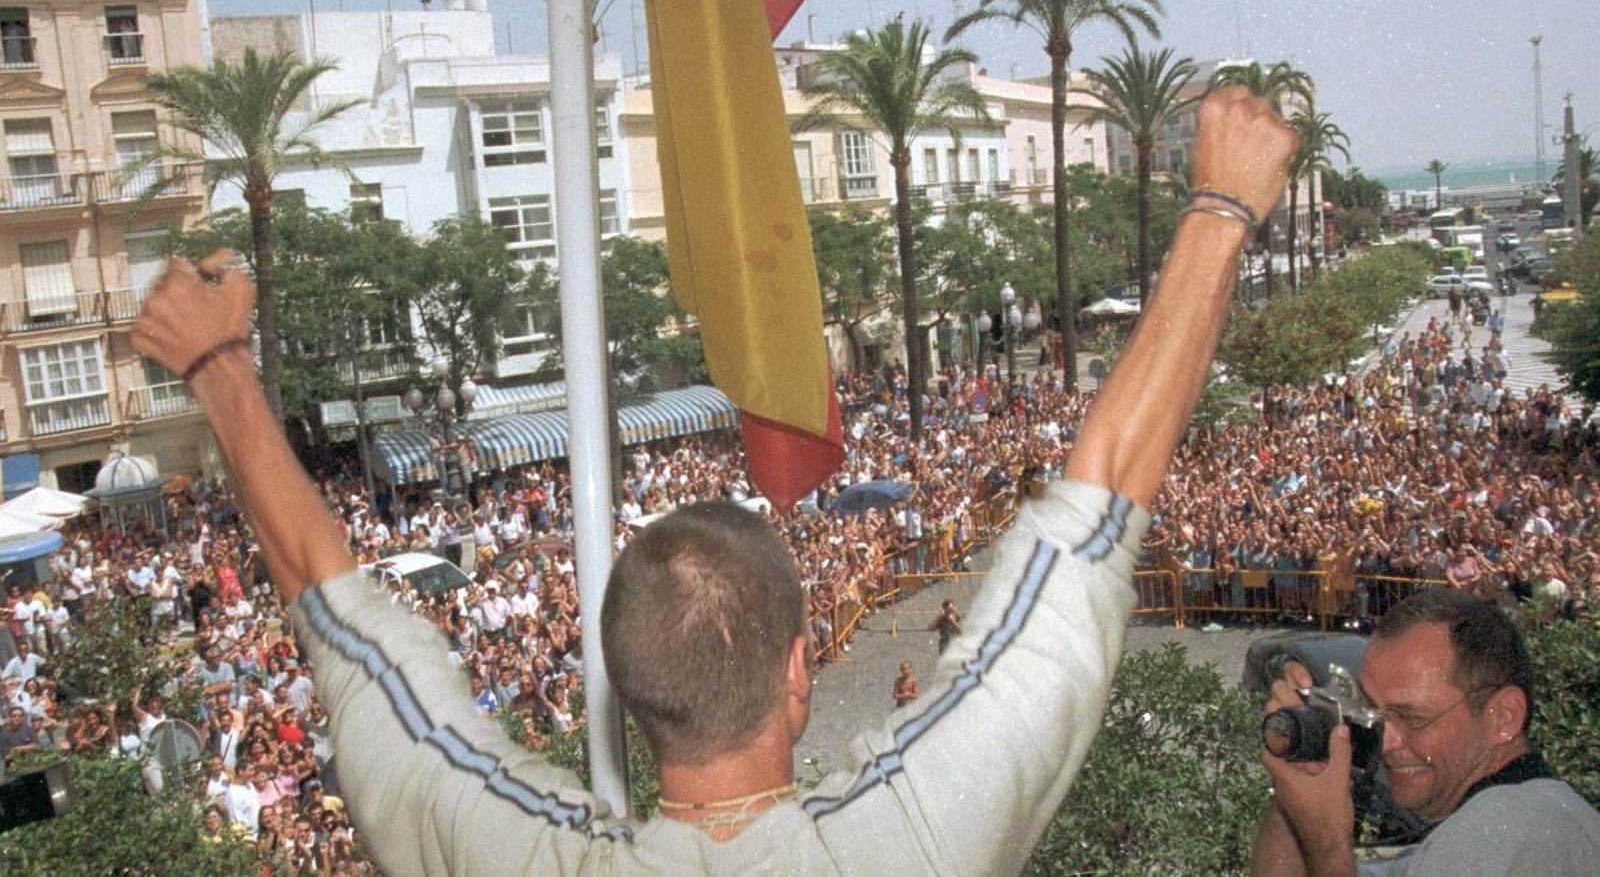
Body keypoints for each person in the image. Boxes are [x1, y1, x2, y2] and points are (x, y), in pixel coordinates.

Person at [133, 85, 1295, 874]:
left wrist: (221, 369)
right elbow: (1088, 515)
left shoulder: (512, 851)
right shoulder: (913, 838)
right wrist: (1217, 209)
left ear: (621, 683)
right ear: (802, 668)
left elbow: (339, 612)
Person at [1252, 589, 1600, 876]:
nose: (1386, 742)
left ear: (1504, 717)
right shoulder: (1471, 830)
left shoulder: (1514, 823)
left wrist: (1328, 842)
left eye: (1412, 718)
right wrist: (1300, 773)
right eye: (1374, 712)